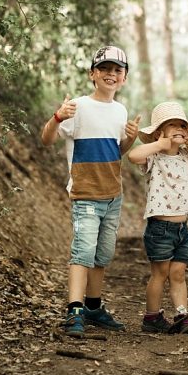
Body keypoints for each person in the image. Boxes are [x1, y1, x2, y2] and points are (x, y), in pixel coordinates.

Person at [40, 45, 140, 338]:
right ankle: (75, 310)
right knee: (83, 251)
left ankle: (94, 307)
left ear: (124, 79)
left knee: (103, 254)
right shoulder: (79, 106)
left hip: (112, 194)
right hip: (85, 193)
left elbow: (117, 151)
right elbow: (47, 140)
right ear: (92, 74)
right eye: (105, 69)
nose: (111, 75)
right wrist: (57, 117)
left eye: (117, 71)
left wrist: (130, 140)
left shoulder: (120, 110)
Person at [127, 101, 188, 334]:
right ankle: (151, 317)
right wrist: (159, 144)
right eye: (171, 124)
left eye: (182, 125)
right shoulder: (154, 157)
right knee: (160, 274)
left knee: (179, 273)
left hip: (183, 228)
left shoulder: (186, 155)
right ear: (159, 132)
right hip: (159, 228)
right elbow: (133, 156)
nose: (178, 128)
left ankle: (182, 315)